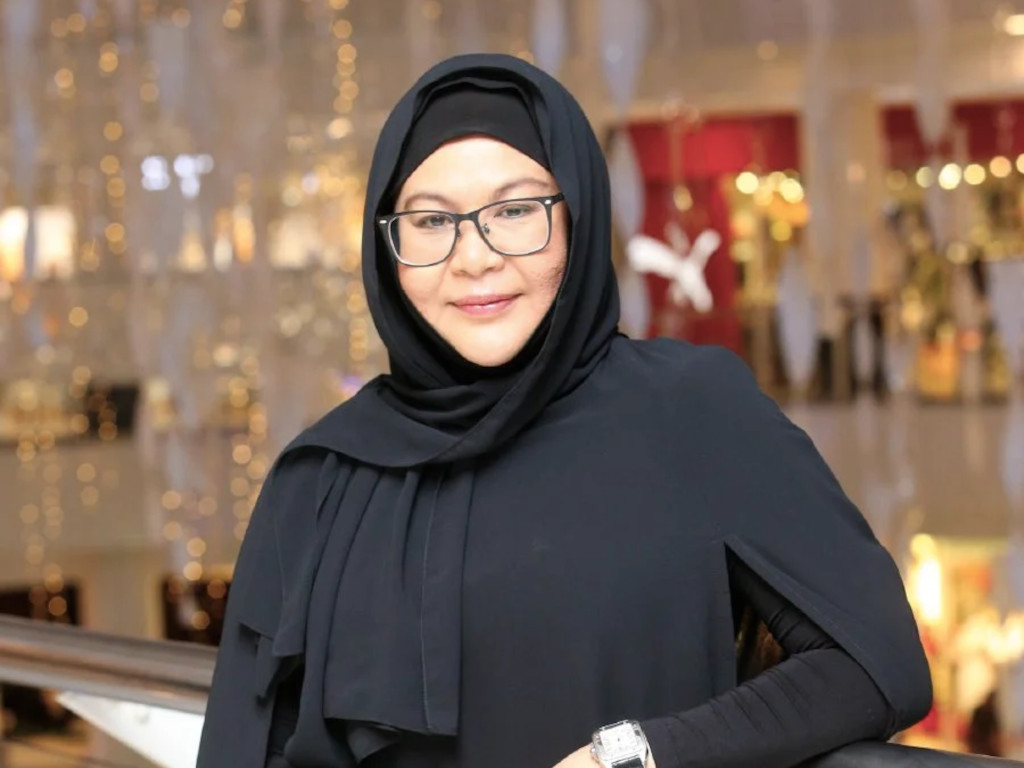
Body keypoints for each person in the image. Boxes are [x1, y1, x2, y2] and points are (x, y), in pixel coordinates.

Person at [197, 54, 932, 768]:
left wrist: (640, 756)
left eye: (516, 210)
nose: (474, 257)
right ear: (386, 246)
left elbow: (876, 663)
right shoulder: (324, 478)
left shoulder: (690, 411)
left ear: (577, 218)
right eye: (430, 222)